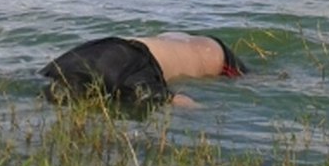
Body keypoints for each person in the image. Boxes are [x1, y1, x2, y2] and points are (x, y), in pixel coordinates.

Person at [39, 32, 247, 109]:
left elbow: (177, 100)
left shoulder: (124, 78)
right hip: (156, 42)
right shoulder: (57, 67)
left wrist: (205, 110)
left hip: (215, 57)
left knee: (248, 80)